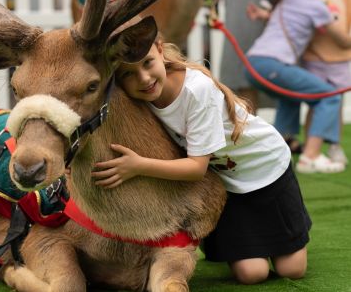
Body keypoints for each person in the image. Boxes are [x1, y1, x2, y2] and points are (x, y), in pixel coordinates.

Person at [93, 38, 311, 284]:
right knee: (252, 274)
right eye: (128, 74)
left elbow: (197, 168)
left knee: (292, 270)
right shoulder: (142, 99)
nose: (143, 78)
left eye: (148, 63)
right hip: (229, 184)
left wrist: (138, 166)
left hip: (267, 168)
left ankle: (291, 226)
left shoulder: (196, 90)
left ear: (161, 50)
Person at [245, 0, 351, 173]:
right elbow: (342, 40)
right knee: (329, 97)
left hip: (254, 63)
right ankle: (310, 157)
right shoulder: (315, 5)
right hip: (272, 63)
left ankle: (274, 155)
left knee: (290, 99)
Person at [302, 0, 351, 166]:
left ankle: (334, 145)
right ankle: (312, 147)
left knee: (335, 104)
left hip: (340, 58)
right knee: (316, 102)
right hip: (314, 57)